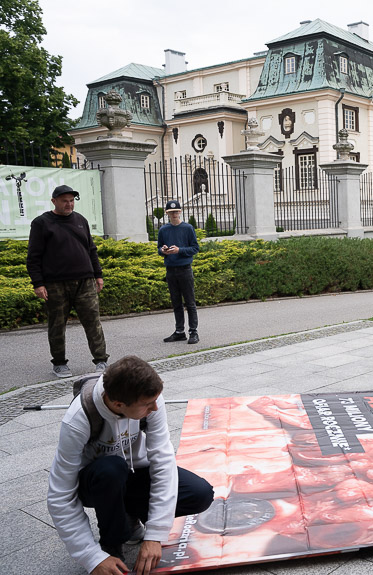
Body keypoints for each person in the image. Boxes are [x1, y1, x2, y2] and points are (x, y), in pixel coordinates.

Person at [47, 355, 214, 575]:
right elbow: (60, 496)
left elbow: (163, 462)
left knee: (200, 493)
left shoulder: (150, 399)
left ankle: (128, 514)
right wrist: (92, 558)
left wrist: (155, 533)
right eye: (147, 405)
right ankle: (112, 545)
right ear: (118, 404)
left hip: (133, 473)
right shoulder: (77, 420)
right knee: (112, 469)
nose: (155, 407)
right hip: (96, 483)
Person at [26, 184, 109, 379]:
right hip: (55, 283)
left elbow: (91, 249)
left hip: (85, 281)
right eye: (65, 201)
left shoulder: (81, 220)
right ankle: (59, 363)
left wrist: (98, 274)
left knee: (93, 321)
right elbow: (33, 256)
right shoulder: (41, 223)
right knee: (57, 324)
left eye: (71, 200)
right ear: (54, 201)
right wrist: (38, 283)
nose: (69, 204)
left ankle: (101, 360)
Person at [158, 200, 200, 345]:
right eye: (171, 213)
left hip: (185, 269)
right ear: (167, 214)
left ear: (180, 212)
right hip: (170, 270)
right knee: (176, 302)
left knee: (190, 302)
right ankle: (179, 332)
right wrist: (163, 251)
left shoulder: (188, 228)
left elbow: (195, 248)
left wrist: (179, 250)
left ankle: (193, 331)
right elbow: (159, 248)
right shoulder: (163, 230)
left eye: (176, 212)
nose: (174, 215)